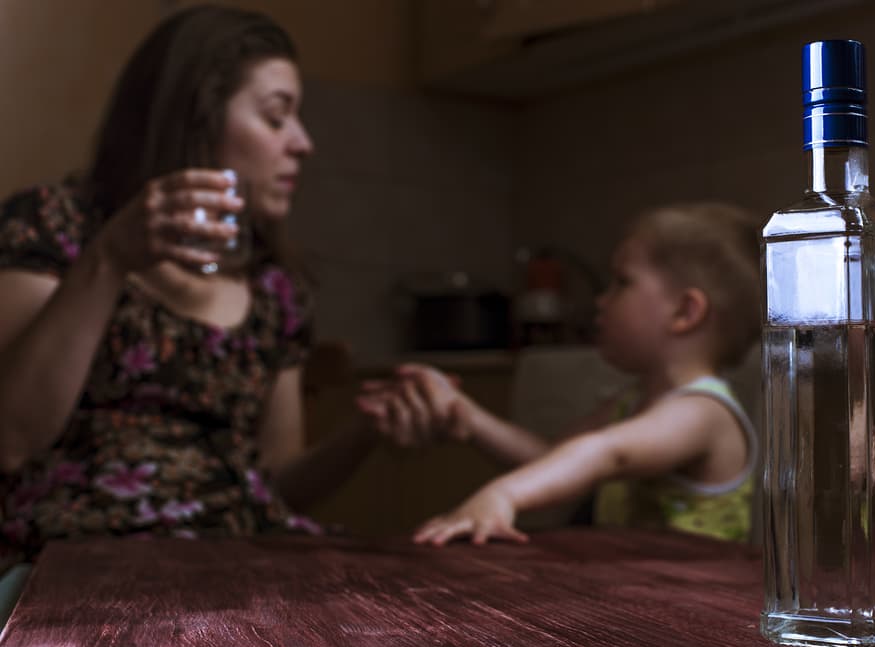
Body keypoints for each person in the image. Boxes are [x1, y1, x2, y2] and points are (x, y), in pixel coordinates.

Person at [0, 5, 371, 580]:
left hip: (241, 560)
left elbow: (274, 482)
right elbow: (10, 439)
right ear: (196, 117)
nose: (302, 143)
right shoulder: (56, 226)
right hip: (78, 561)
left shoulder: (275, 288)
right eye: (277, 118)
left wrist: (364, 435)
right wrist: (110, 258)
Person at [359, 203, 761, 546]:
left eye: (622, 283)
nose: (601, 301)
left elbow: (605, 454)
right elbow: (550, 459)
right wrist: (471, 418)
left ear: (685, 312)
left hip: (701, 607)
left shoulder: (704, 411)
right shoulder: (632, 402)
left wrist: (503, 495)